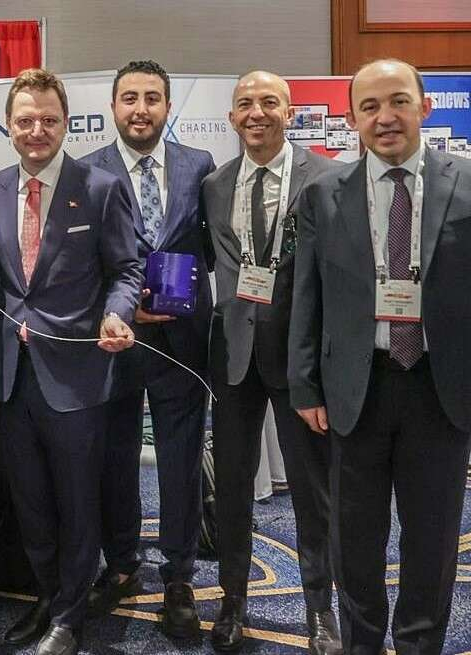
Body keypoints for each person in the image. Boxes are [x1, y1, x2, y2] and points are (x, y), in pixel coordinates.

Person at [289, 58, 471, 655]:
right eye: (369, 107)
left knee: (433, 540)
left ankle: (420, 644)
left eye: (398, 101)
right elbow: (307, 295)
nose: (385, 117)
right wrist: (305, 385)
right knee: (354, 540)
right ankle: (362, 643)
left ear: (425, 107)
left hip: (441, 388)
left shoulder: (466, 183)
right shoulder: (322, 194)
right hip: (355, 389)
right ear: (352, 119)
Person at [0, 68, 142, 655]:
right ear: (8, 125)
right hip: (14, 374)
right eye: (25, 120)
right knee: (31, 503)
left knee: (77, 503)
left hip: (76, 375)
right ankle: (49, 596)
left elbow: (127, 269)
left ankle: (70, 616)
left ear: (67, 123)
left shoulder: (98, 186)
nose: (37, 130)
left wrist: (116, 313)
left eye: (48, 119)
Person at [202, 70, 341, 654]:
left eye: (268, 102)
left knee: (312, 492)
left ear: (290, 111)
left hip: (300, 358)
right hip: (233, 356)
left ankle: (319, 611)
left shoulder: (327, 178)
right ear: (231, 117)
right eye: (244, 104)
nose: (255, 112)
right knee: (233, 489)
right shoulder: (214, 184)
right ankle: (233, 600)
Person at [80, 59, 215, 635]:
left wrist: (189, 292)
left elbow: (210, 246)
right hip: (115, 339)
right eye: (130, 98)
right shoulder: (86, 170)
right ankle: (122, 564)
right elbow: (77, 263)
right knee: (115, 459)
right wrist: (118, 306)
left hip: (182, 341)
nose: (141, 109)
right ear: (113, 107)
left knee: (181, 462)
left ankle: (179, 575)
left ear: (167, 106)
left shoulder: (198, 165)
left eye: (152, 98)